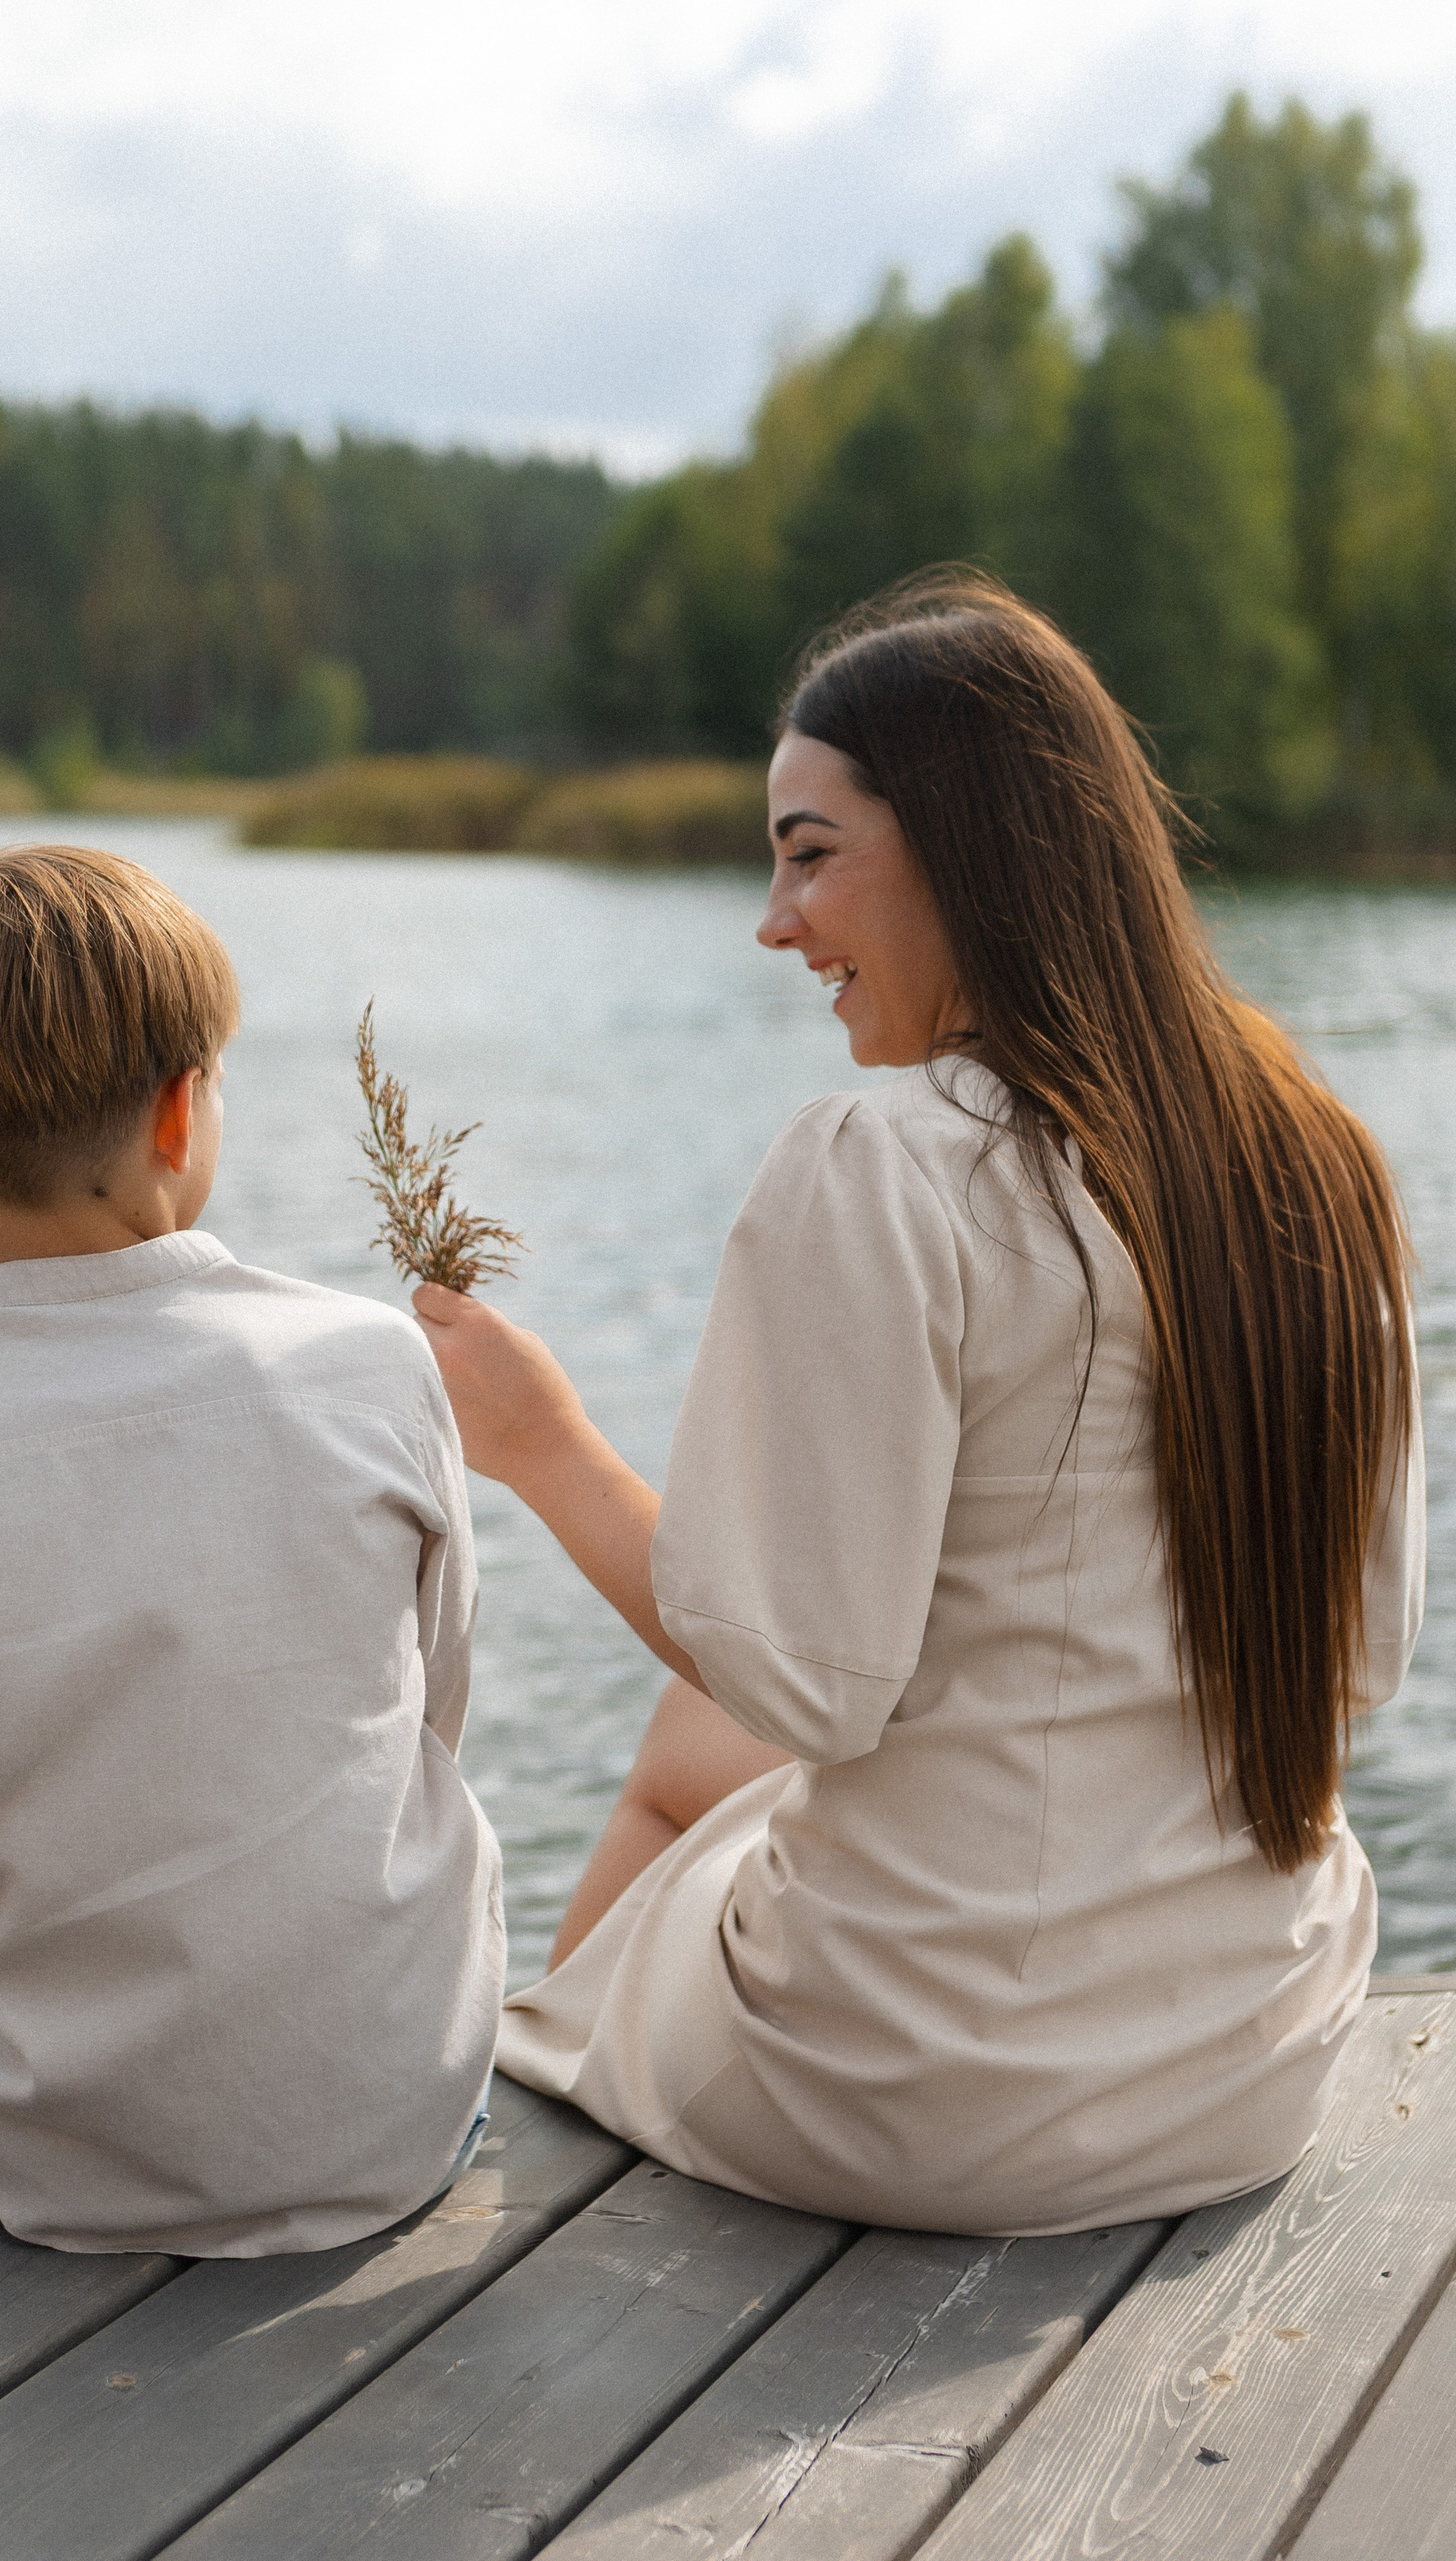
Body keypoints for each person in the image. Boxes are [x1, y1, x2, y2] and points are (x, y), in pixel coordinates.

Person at [415, 573, 1425, 2237]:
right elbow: (1359, 1659)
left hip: (942, 2094)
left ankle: (529, 2167)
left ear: (966, 843)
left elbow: (796, 1675)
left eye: (810, 854)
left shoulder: (884, 1171)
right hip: (1247, 2058)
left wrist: (534, 1441)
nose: (773, 919)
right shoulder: (1315, 1162)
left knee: (679, 1783)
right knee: (705, 1748)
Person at [0, 845, 502, 2256]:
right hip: (402, 2125)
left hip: (67, 2174)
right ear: (184, 1111)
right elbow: (438, 1713)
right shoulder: (370, 1365)